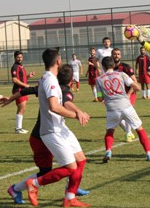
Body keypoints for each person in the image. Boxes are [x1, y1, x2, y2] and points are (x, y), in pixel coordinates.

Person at [0, 63, 90, 204]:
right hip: (41, 137)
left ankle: (72, 190)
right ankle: (15, 188)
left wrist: (10, 99)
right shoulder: (63, 90)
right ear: (72, 81)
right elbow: (66, 102)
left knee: (78, 161)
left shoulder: (48, 86)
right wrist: (77, 112)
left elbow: (25, 91)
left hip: (48, 133)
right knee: (50, 171)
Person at [25, 48, 90, 207]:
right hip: (51, 131)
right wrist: (76, 115)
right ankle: (34, 184)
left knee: (81, 160)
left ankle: (70, 197)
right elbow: (54, 107)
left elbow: (63, 102)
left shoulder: (51, 79)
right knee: (70, 168)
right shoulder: (50, 81)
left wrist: (78, 110)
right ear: (58, 62)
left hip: (61, 128)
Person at [96, 56, 150, 163]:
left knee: (110, 131)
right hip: (126, 106)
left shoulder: (99, 79)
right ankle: (149, 154)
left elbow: (100, 98)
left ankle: (108, 151)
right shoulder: (121, 74)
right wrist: (133, 88)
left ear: (103, 66)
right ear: (113, 65)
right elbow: (136, 87)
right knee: (139, 129)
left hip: (111, 109)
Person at [112, 48, 138, 142]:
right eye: (115, 54)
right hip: (118, 96)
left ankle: (128, 134)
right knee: (117, 116)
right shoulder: (110, 68)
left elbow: (135, 82)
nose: (116, 56)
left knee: (126, 113)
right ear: (112, 55)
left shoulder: (126, 67)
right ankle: (129, 132)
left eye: (118, 54)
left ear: (121, 56)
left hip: (129, 93)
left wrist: (128, 94)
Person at [11, 51, 35, 134]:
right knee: (21, 108)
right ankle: (18, 128)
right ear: (15, 57)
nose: (19, 59)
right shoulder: (15, 67)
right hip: (18, 90)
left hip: (23, 90)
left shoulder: (20, 66)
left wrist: (28, 76)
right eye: (18, 57)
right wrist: (25, 85)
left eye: (21, 57)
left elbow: (21, 78)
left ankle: (19, 128)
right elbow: (14, 80)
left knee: (22, 108)